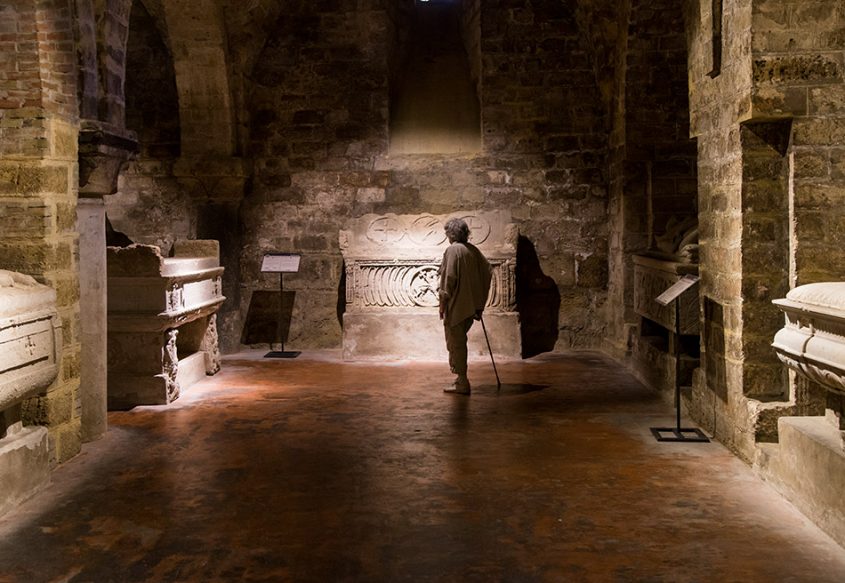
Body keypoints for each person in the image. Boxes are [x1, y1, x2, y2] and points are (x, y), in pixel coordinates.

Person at [438, 218, 492, 395]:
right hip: (470, 306)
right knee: (459, 341)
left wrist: (442, 304)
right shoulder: (473, 250)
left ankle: (462, 381)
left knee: (456, 343)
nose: (447, 237)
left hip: (458, 306)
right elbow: (487, 271)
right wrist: (479, 301)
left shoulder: (453, 250)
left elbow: (448, 279)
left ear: (451, 234)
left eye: (447, 233)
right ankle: (460, 378)